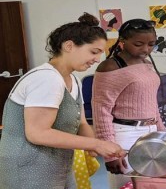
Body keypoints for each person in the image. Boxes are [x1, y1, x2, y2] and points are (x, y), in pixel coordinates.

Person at [0, 13, 126, 189]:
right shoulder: (46, 78)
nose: (97, 59)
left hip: (56, 164)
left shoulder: (72, 79)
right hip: (28, 167)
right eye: (94, 52)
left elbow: (81, 122)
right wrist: (96, 143)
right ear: (69, 46)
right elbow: (37, 133)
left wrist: (97, 147)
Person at [92, 18, 166, 189]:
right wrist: (110, 152)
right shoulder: (110, 66)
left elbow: (151, 103)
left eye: (151, 44)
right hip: (124, 135)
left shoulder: (145, 63)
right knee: (126, 185)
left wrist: (162, 133)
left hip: (151, 132)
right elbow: (101, 110)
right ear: (123, 42)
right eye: (139, 44)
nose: (146, 49)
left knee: (152, 185)